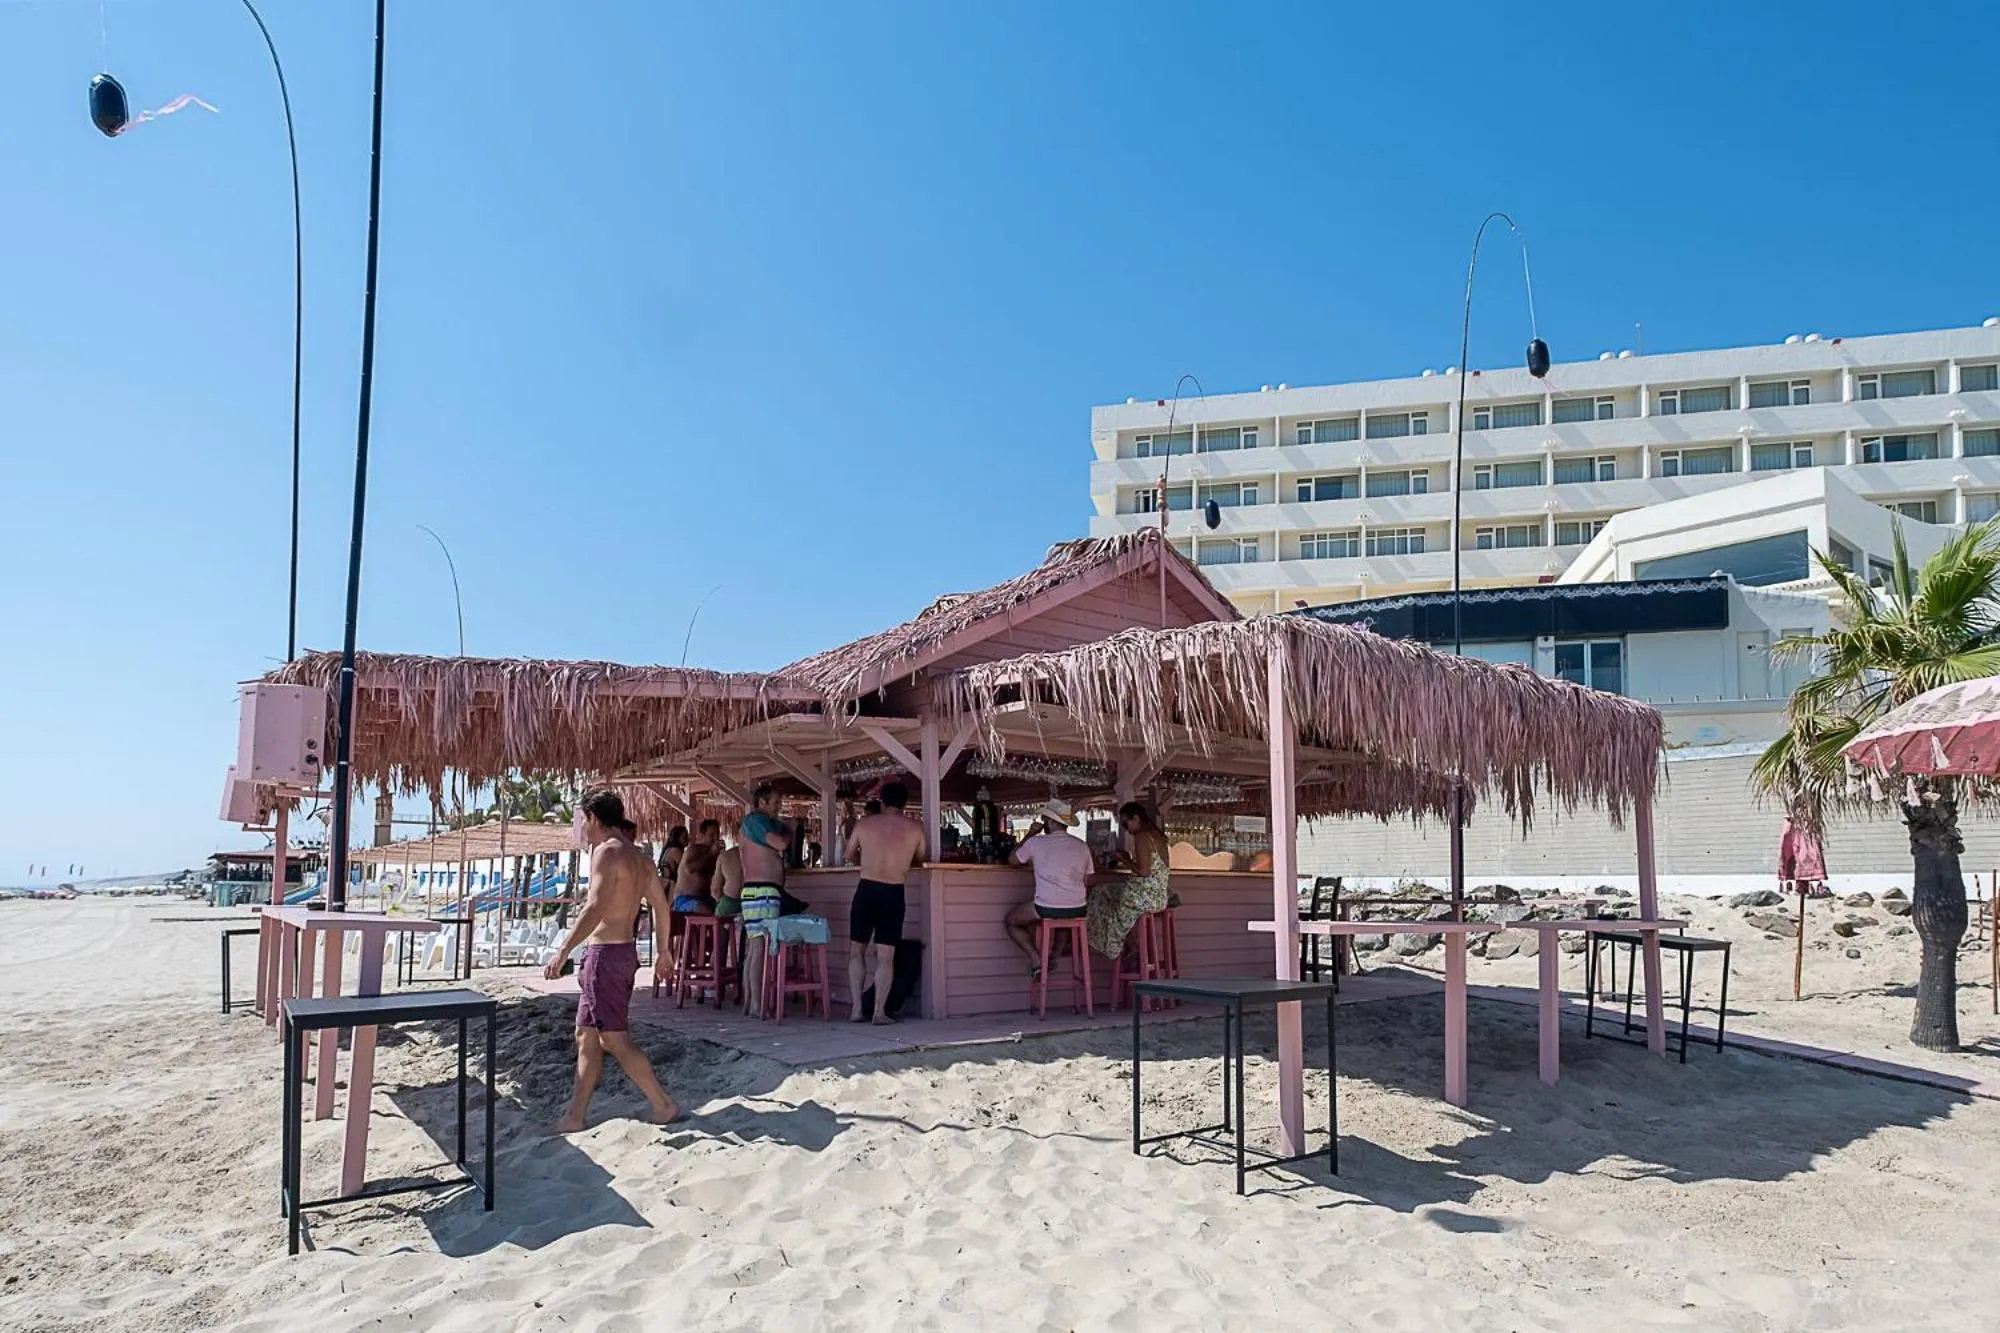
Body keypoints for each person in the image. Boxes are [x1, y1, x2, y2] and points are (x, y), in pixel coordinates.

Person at [544, 790, 680, 1132]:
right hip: (623, 953)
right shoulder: (640, 858)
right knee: (586, 1036)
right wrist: (663, 950)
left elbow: (595, 907)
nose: (583, 828)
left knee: (613, 1039)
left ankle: (662, 1104)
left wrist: (563, 951)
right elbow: (661, 907)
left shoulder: (606, 852)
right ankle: (575, 1116)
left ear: (594, 817)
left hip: (605, 956)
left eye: (584, 820)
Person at [844, 781, 925, 1023]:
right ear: (905, 803)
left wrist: (866, 859)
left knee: (856, 950)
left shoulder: (864, 824)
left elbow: (848, 854)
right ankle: (879, 1012)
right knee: (886, 956)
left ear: (882, 801)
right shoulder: (915, 828)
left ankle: (857, 1009)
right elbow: (920, 858)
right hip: (893, 891)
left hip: (867, 888)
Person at [1006, 799, 1094, 976]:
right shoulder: (1082, 846)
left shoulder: (1036, 842)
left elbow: (1012, 860)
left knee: (1012, 921)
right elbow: (1088, 879)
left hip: (1047, 907)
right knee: (1063, 919)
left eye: (1045, 818)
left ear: (1051, 821)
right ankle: (1053, 956)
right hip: (1078, 908)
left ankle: (1037, 960)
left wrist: (1030, 833)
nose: (1043, 821)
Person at [1085, 801, 1172, 960]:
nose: (1125, 828)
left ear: (1136, 818)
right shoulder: (1156, 835)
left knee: (1100, 893)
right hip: (1158, 896)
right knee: (1111, 895)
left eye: (1125, 823)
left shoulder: (1142, 835)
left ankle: (1119, 945)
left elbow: (1144, 871)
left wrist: (1122, 858)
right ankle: (1129, 944)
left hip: (1144, 896)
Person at [737, 787, 791, 1017]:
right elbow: (780, 844)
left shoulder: (758, 823)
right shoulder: (756, 821)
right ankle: (758, 1004)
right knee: (760, 948)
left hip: (754, 891)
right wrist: (789, 834)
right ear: (762, 802)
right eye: (775, 802)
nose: (779, 806)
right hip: (763, 891)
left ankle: (751, 1001)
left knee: (754, 948)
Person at [673, 819, 721, 913]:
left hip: (705, 897)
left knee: (722, 910)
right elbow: (689, 868)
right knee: (706, 911)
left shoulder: (715, 853)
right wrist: (710, 854)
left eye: (717, 834)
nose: (716, 838)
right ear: (702, 835)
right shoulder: (694, 849)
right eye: (712, 835)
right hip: (685, 899)